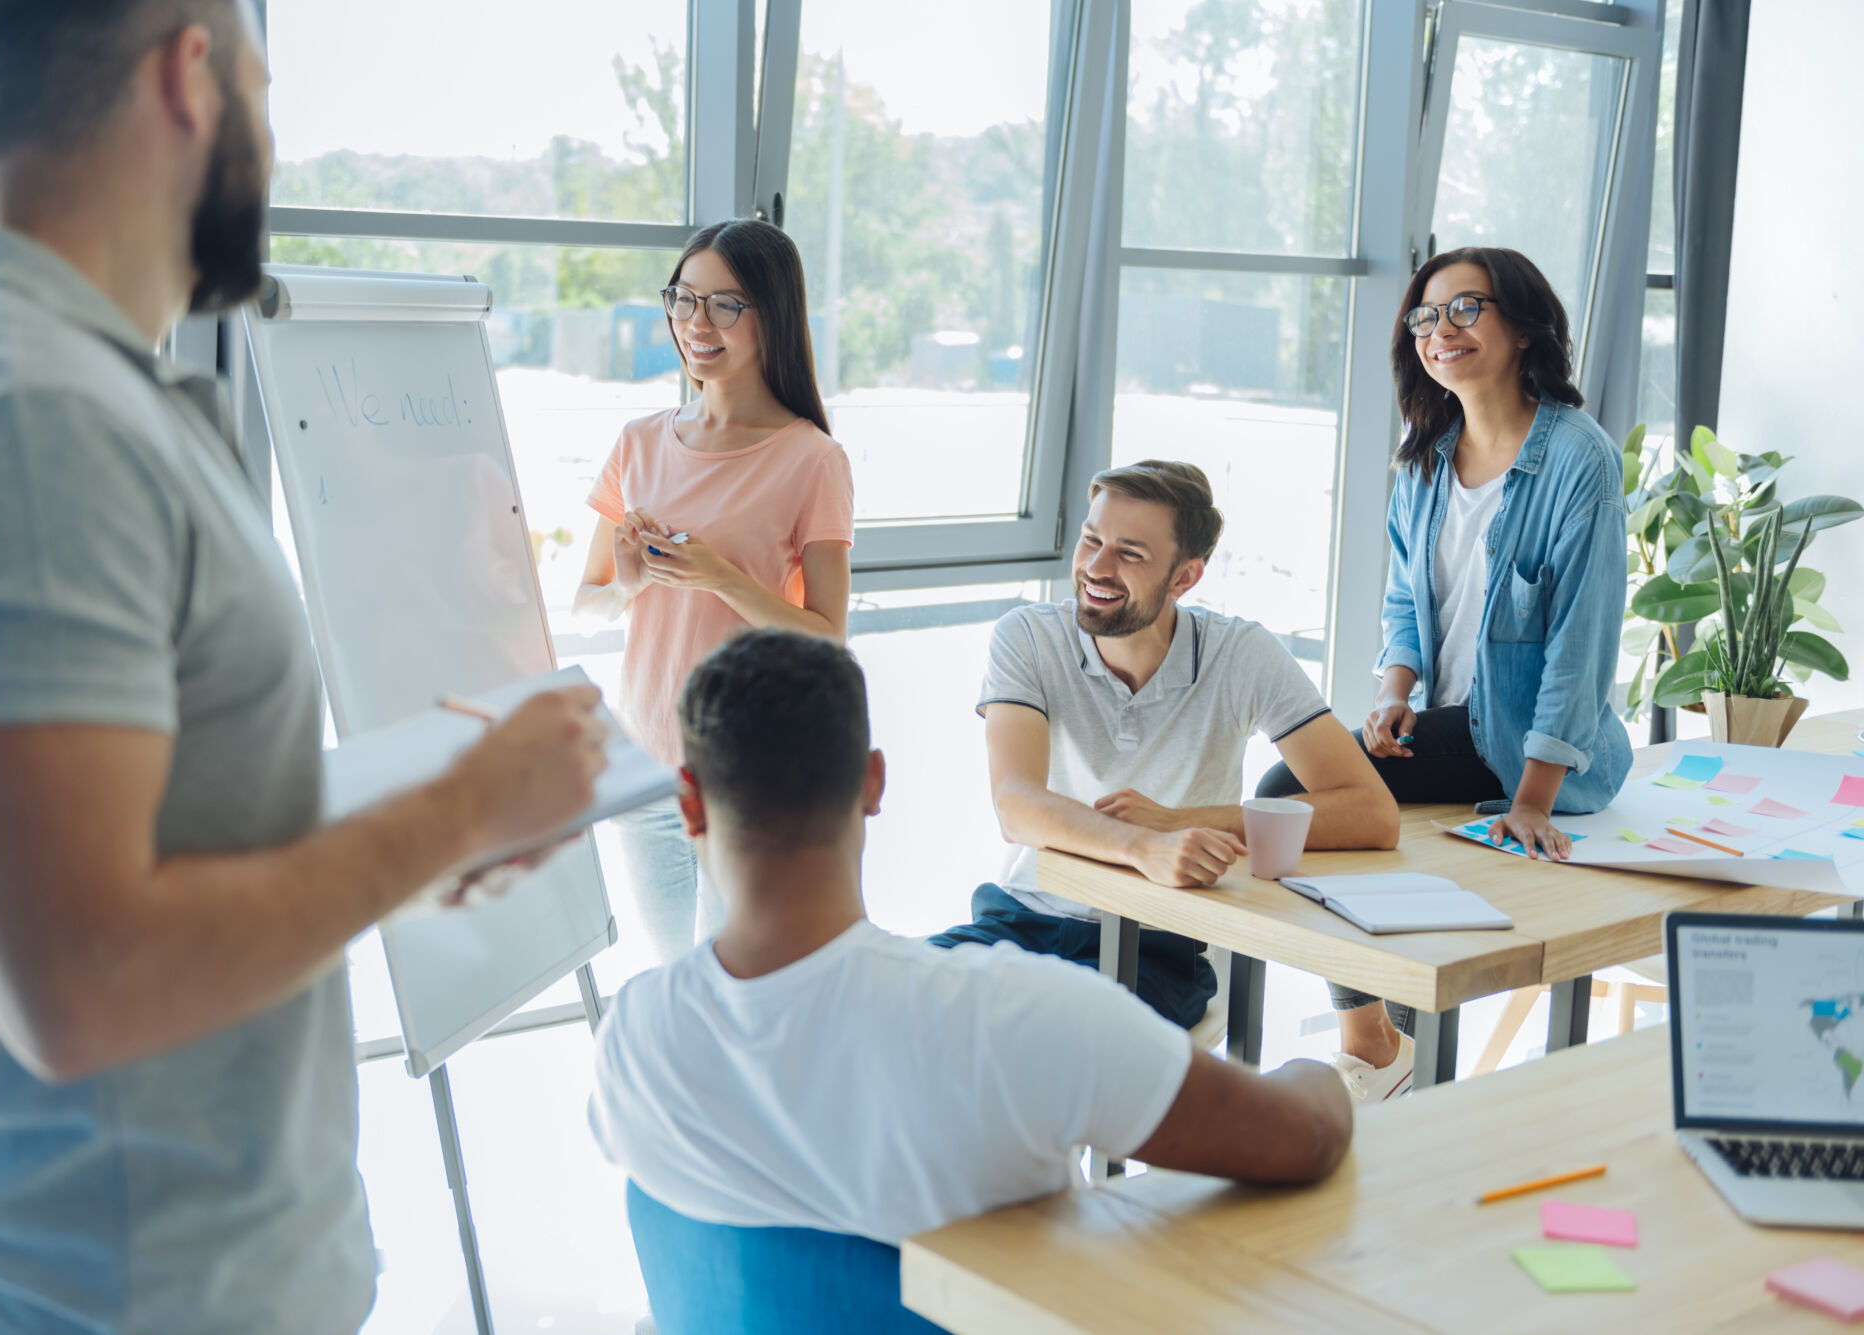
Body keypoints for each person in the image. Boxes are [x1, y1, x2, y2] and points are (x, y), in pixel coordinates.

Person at [0, 4, 609, 1331]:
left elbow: (157, 819)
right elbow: (85, 980)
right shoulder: (34, 424)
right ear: (190, 75)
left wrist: (422, 814)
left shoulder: (81, 393)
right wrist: (459, 808)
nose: (272, 137)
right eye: (267, 88)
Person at [589, 629, 1353, 1249]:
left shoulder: (634, 1034)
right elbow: (1306, 1138)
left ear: (688, 803)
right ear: (873, 782)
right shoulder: (1016, 1018)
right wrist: (1323, 1066)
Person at [1258, 246, 1632, 1099]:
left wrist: (1533, 797)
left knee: (1296, 794)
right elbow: (1402, 605)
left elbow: (1583, 647)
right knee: (1297, 789)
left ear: (1524, 328)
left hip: (1526, 744)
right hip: (1446, 721)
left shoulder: (1580, 460)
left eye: (1467, 309)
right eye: (1426, 316)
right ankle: (1377, 1041)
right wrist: (1393, 695)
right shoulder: (1426, 458)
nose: (1440, 330)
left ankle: (1381, 1047)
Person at [930, 460, 1401, 1034]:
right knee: (879, 1004)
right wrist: (1140, 844)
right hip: (1020, 921)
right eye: (1091, 540)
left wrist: (1181, 823)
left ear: (1184, 578)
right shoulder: (1028, 636)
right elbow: (1016, 803)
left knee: (1036, 1041)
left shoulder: (1243, 655)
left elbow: (1372, 813)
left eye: (1130, 553)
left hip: (1157, 951)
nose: (1096, 568)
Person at [575, 218, 853, 959]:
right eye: (683, 299)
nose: (696, 325)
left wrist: (720, 577)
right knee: (671, 975)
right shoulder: (638, 442)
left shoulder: (812, 459)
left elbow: (828, 635)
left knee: (735, 982)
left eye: (725, 305)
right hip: (646, 763)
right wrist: (630, 583)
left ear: (773, 315)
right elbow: (588, 601)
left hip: (751, 771)